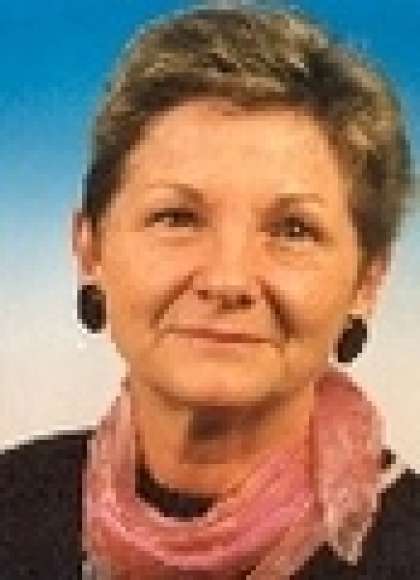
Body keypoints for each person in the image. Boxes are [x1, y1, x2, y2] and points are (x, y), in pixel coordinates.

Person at [1, 4, 419, 579]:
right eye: (177, 218)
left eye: (293, 230)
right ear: (90, 250)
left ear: (367, 280)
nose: (227, 280)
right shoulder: (12, 507)